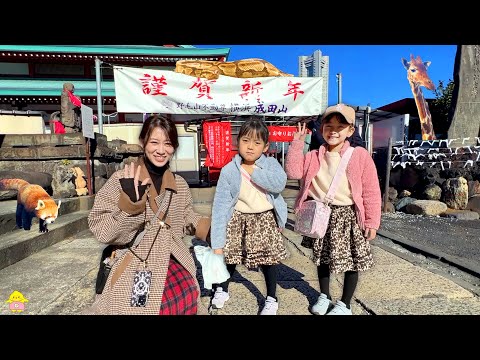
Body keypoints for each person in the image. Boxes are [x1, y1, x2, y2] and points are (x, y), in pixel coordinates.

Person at [84, 114, 211, 315]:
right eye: (154, 142)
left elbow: (186, 215)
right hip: (136, 263)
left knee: (185, 298)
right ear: (143, 142)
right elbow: (102, 231)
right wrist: (130, 206)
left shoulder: (179, 184)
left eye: (168, 144)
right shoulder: (122, 179)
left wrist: (210, 229)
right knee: (143, 307)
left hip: (172, 258)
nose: (161, 150)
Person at [285, 104, 381, 315]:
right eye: (329, 125)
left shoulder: (360, 156)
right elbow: (293, 172)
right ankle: (324, 295)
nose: (334, 130)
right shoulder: (313, 156)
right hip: (321, 214)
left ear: (350, 131)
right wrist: (297, 143)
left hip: (348, 216)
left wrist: (372, 222)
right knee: (322, 257)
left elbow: (371, 190)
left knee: (351, 259)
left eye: (341, 126)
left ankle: (345, 304)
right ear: (322, 129)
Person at [210, 117, 288, 315]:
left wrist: (254, 172)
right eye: (246, 141)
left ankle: (271, 298)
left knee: (268, 260)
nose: (251, 147)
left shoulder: (270, 164)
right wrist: (217, 244)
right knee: (230, 257)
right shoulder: (229, 170)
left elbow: (279, 184)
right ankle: (222, 289)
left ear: (265, 146)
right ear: (238, 142)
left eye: (257, 142)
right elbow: (220, 205)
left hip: (264, 219)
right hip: (237, 219)